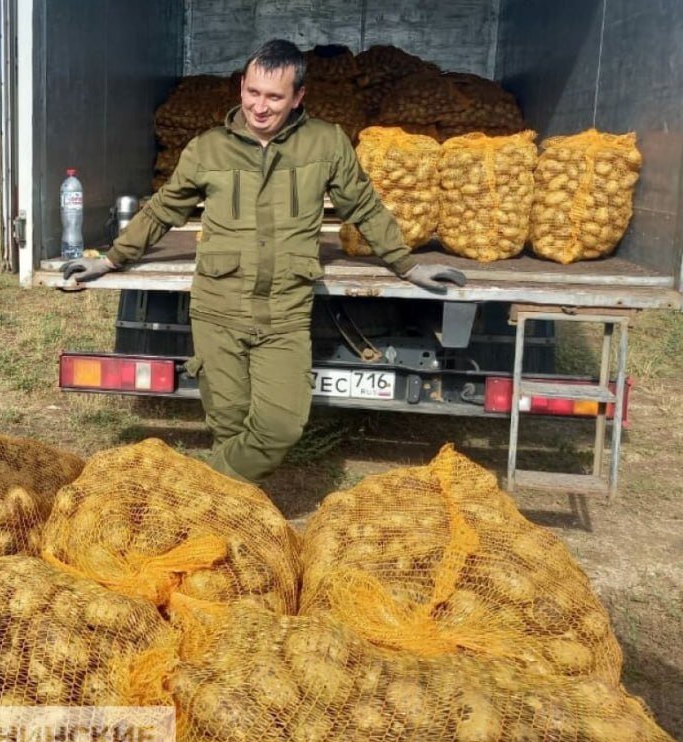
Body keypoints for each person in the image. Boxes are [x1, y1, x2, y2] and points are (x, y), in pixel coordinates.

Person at [63, 39, 466, 484]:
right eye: (252, 92)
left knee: (279, 426)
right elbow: (164, 209)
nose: (260, 106)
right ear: (240, 88)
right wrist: (111, 260)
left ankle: (186, 490)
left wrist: (407, 266)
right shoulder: (207, 149)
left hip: (283, 316)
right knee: (229, 426)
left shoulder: (325, 144)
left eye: (274, 97)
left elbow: (364, 208)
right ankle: (230, 529)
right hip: (218, 309)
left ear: (298, 97)